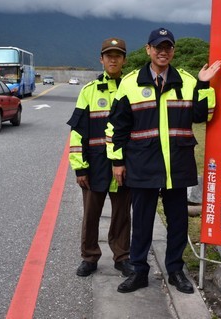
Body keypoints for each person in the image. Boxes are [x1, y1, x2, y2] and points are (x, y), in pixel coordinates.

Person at [106, 27, 221, 294]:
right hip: (142, 163)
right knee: (142, 222)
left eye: (168, 47)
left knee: (178, 222)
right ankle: (139, 271)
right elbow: (117, 127)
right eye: (158, 47)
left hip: (177, 164)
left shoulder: (188, 81)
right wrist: (117, 162)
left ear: (173, 51)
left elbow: (204, 116)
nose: (163, 52)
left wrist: (204, 84)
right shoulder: (130, 83)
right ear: (148, 50)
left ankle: (176, 271)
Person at [67, 37, 133, 278]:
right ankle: (89, 256)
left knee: (122, 214)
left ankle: (122, 256)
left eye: (118, 55)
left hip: (123, 165)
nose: (113, 59)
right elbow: (77, 131)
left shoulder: (132, 88)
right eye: (108, 55)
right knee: (91, 214)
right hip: (94, 165)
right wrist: (79, 167)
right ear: (101, 59)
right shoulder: (88, 92)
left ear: (124, 59)